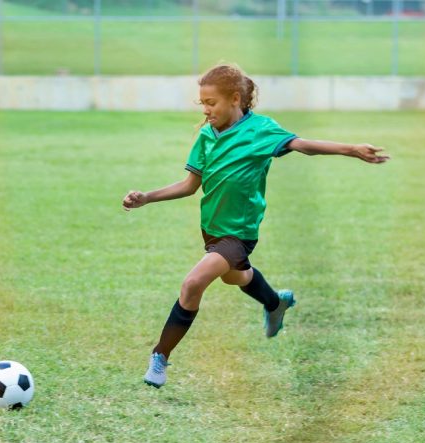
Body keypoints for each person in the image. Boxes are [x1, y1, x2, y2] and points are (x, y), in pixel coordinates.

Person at [123, 64, 389, 388]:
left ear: (235, 99)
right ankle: (275, 303)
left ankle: (160, 357)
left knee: (193, 284)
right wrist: (147, 197)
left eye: (212, 103)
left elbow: (302, 145)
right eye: (202, 103)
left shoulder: (261, 130)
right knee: (237, 277)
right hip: (212, 229)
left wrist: (351, 150)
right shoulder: (206, 136)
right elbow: (190, 185)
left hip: (240, 232)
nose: (206, 110)